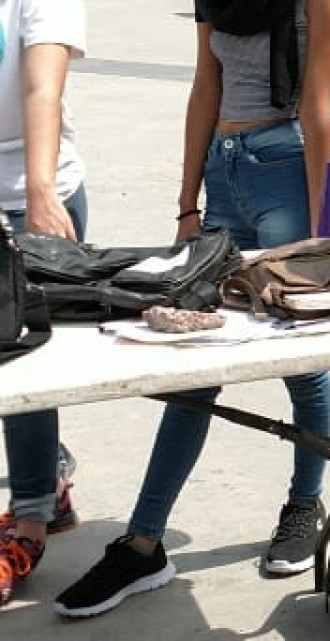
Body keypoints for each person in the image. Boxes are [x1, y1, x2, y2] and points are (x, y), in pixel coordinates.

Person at [52, 0, 330, 618]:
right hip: (226, 173)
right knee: (193, 368)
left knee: (301, 357)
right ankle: (144, 542)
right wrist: (188, 203)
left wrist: (324, 242)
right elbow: (205, 85)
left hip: (286, 168)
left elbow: (318, 110)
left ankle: (305, 501)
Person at [0, 0, 87, 607]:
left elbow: (41, 87)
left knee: (18, 361)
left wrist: (39, 192)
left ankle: (31, 516)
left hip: (30, 194)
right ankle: (48, 473)